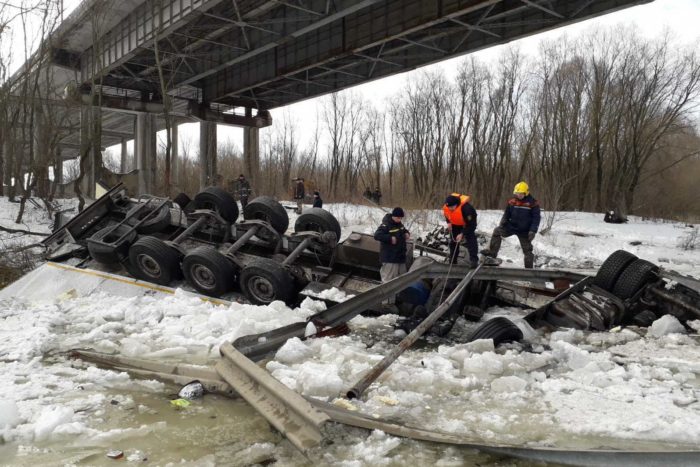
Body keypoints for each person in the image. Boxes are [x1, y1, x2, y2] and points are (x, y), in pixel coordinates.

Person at [482, 181, 540, 269]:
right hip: (511, 227)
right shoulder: (512, 201)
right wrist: (503, 221)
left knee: (527, 251)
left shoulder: (533, 203)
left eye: (520, 194)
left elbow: (536, 218)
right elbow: (507, 213)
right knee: (497, 231)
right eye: (517, 193)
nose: (518, 195)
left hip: (525, 230)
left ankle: (529, 270)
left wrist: (533, 230)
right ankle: (492, 254)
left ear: (526, 193)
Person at [374, 207, 410, 283]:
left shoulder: (399, 224)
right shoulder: (386, 224)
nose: (399, 220)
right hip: (390, 258)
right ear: (393, 216)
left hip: (400, 257)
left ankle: (399, 295)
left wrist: (407, 233)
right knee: (388, 281)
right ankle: (387, 295)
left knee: (402, 280)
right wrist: (390, 238)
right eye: (398, 218)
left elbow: (404, 230)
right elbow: (377, 235)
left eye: (401, 218)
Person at [443, 193, 478, 267]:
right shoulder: (447, 207)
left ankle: (474, 260)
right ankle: (452, 260)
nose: (450, 209)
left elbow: (472, 225)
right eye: (449, 207)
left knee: (471, 240)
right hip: (455, 223)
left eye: (452, 207)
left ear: (457, 204)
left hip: (467, 224)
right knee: (453, 242)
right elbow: (446, 214)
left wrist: (462, 233)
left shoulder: (467, 209)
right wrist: (448, 222)